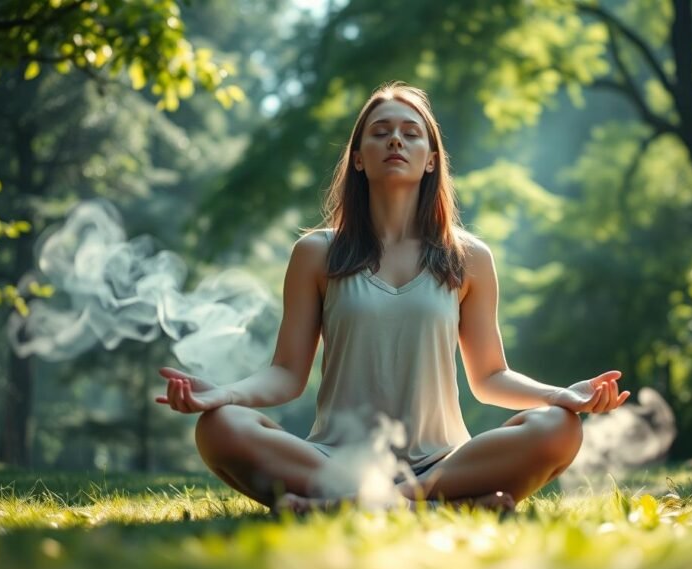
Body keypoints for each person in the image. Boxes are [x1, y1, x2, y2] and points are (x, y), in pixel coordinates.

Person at [155, 81, 630, 512]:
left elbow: (489, 376)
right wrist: (222, 395)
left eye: (411, 133)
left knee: (559, 428)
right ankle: (446, 506)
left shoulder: (470, 258)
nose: (396, 140)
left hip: (442, 460)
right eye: (380, 132)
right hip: (336, 459)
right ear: (358, 157)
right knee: (220, 428)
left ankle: (369, 503)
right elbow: (286, 375)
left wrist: (561, 396)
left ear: (431, 159)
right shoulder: (316, 253)